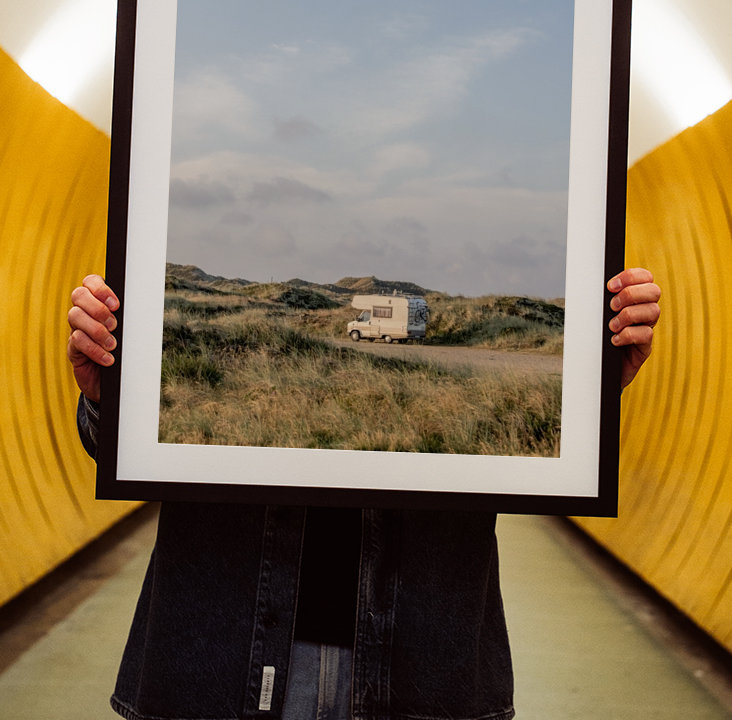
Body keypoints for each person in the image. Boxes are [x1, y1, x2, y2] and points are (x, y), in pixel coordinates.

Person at [68, 268, 661, 720]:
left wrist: (588, 396)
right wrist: (110, 399)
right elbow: (119, 449)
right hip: (220, 657)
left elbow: (543, 453)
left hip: (422, 664)